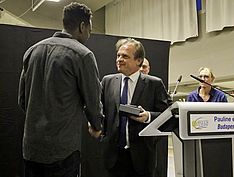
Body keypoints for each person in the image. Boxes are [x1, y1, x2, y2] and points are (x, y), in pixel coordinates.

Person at [18, 2, 103, 177]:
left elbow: (22, 100)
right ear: (82, 26)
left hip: (31, 148)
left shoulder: (32, 51)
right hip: (62, 151)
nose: (89, 34)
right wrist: (96, 125)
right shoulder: (83, 55)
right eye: (90, 29)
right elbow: (93, 102)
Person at [99, 38, 170, 177]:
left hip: (142, 157)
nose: (119, 59)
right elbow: (100, 108)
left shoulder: (154, 84)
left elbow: (168, 115)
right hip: (114, 157)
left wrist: (148, 116)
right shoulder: (108, 81)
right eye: (118, 55)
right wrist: (95, 123)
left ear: (139, 61)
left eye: (125, 56)